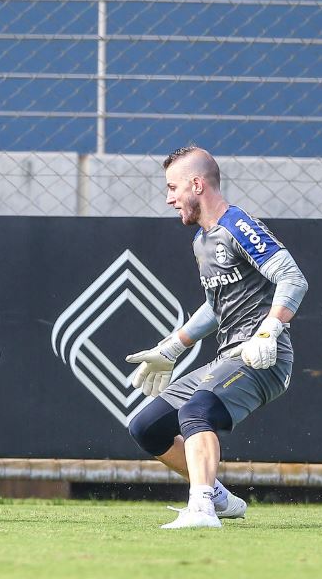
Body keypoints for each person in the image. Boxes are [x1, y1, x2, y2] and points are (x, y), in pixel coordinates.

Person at [125, 146, 308, 529]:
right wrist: (173, 348)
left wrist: (268, 330)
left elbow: (293, 278)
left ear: (197, 184)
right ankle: (220, 498)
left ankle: (203, 509)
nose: (169, 198)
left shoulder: (239, 225)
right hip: (229, 355)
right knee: (147, 427)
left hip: (264, 357)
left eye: (173, 188)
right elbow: (215, 307)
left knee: (196, 411)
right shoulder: (202, 242)